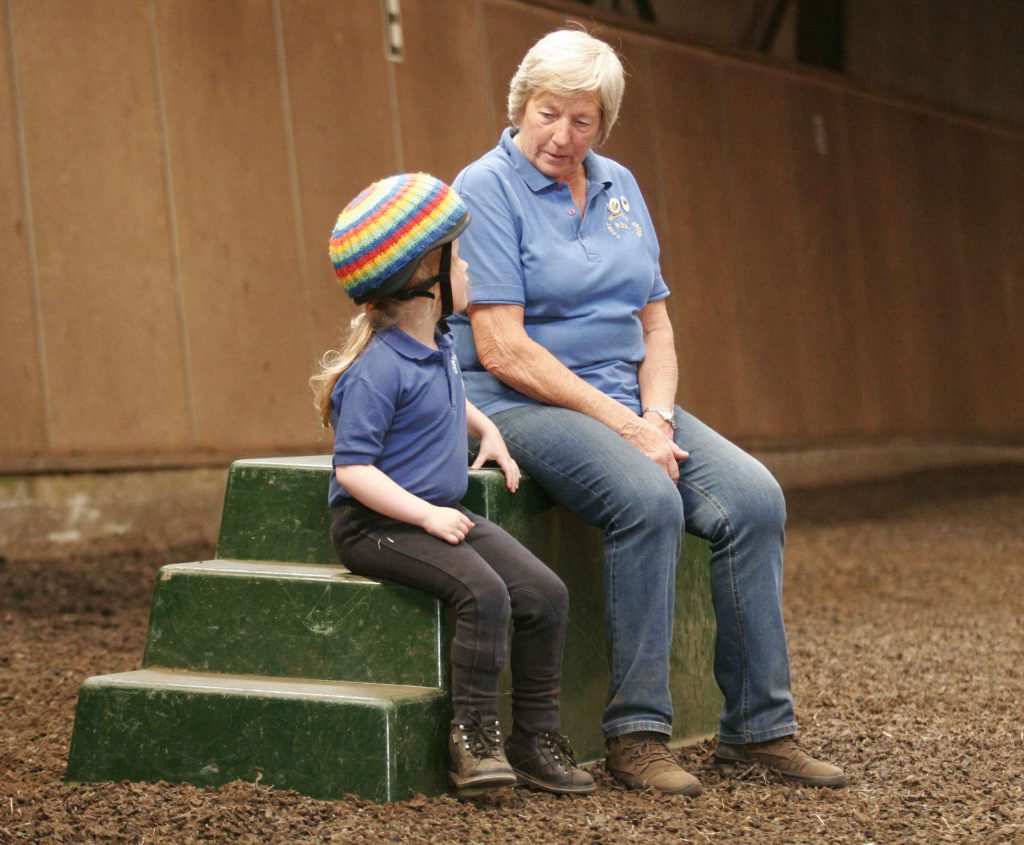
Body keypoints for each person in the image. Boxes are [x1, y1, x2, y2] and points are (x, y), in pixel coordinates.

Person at [448, 30, 846, 795]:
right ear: (520, 107)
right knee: (645, 496)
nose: (563, 136)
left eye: (583, 120)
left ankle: (759, 729)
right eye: (547, 114)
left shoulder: (619, 185)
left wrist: (656, 415)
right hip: (522, 399)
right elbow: (503, 349)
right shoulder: (484, 187)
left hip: (632, 399)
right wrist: (628, 431)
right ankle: (637, 733)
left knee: (755, 497)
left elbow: (655, 323)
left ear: (605, 123)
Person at [310, 172, 595, 797]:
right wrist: (424, 517)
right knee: (485, 594)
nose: (467, 268)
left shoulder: (435, 343)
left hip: (436, 513)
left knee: (545, 593)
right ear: (424, 278)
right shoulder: (377, 368)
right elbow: (353, 471)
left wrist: (487, 429)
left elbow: (451, 394)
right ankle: (474, 737)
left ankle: (534, 738)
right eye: (458, 259)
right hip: (377, 527)